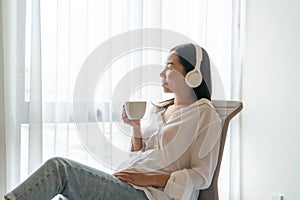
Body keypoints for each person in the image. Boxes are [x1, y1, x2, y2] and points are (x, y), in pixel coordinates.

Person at [4, 43, 222, 200]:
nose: (161, 72)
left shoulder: (204, 114)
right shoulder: (161, 109)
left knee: (60, 169)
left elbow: (202, 176)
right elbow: (140, 156)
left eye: (169, 66)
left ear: (193, 74)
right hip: (128, 185)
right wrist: (136, 129)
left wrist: (149, 178)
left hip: (153, 195)